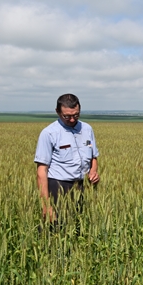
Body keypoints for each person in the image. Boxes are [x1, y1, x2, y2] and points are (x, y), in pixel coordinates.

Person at [34, 93, 100, 224]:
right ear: (57, 112)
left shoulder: (87, 129)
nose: (72, 120)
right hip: (58, 188)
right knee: (56, 228)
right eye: (67, 116)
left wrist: (93, 171)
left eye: (76, 115)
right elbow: (41, 171)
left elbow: (93, 156)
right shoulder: (49, 133)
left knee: (81, 228)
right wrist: (46, 205)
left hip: (83, 186)